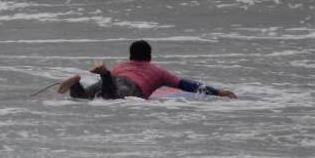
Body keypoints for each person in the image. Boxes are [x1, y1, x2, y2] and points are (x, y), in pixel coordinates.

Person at [58, 40, 237, 99]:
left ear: (131, 56)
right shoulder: (157, 72)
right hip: (130, 85)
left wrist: (108, 76)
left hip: (113, 78)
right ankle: (104, 73)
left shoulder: (121, 65)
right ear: (149, 57)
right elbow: (187, 85)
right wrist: (218, 92)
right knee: (112, 98)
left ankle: (76, 83)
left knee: (83, 98)